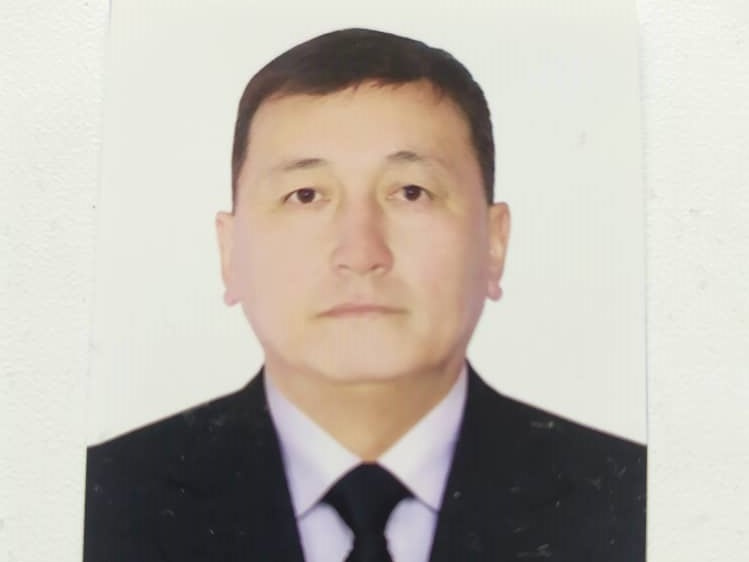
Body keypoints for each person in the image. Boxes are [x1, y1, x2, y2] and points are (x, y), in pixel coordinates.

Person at [83, 28, 646, 562]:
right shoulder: (98, 503)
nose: (360, 252)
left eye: (411, 192)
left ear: (494, 243)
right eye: (306, 195)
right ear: (230, 253)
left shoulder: (632, 502)